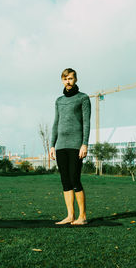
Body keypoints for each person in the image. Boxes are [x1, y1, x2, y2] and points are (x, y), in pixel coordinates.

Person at [49, 68, 91, 225]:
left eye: (71, 78)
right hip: (61, 146)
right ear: (62, 80)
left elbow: (86, 122)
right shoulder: (59, 100)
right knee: (65, 181)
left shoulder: (83, 98)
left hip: (76, 145)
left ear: (76, 80)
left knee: (75, 179)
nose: (68, 81)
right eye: (65, 78)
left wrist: (84, 144)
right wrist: (52, 145)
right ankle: (70, 215)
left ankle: (83, 217)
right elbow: (55, 123)